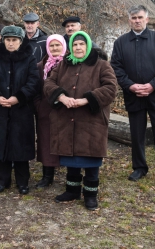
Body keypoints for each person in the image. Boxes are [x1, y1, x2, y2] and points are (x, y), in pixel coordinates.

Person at [110, 5, 155, 189]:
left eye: (140, 17)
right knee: (137, 134)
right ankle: (140, 167)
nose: (137, 20)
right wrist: (131, 86)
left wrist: (153, 85)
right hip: (134, 96)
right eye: (134, 17)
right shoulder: (120, 43)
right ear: (129, 20)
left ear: (147, 19)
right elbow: (116, 68)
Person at [44, 31, 117, 209]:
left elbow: (110, 88)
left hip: (91, 121)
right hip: (66, 119)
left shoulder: (101, 65)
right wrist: (61, 97)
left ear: (88, 46)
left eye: (81, 44)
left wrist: (86, 100)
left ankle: (90, 194)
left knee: (90, 158)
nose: (77, 47)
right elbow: (48, 84)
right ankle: (72, 190)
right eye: (75, 45)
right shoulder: (63, 65)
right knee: (72, 156)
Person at [0, 26, 39, 194]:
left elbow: (33, 82)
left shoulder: (29, 58)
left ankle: (23, 182)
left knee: (20, 147)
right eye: (8, 40)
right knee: (0, 145)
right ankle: (2, 181)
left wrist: (18, 97)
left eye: (14, 40)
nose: (11, 43)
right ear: (3, 40)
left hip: (21, 110)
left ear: (20, 42)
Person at [34, 34, 67, 188]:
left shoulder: (70, 64)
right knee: (46, 142)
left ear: (63, 46)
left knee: (66, 142)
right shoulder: (41, 66)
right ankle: (47, 176)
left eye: (57, 45)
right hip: (45, 110)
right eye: (52, 46)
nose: (54, 48)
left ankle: (71, 175)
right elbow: (35, 89)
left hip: (65, 109)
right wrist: (39, 106)